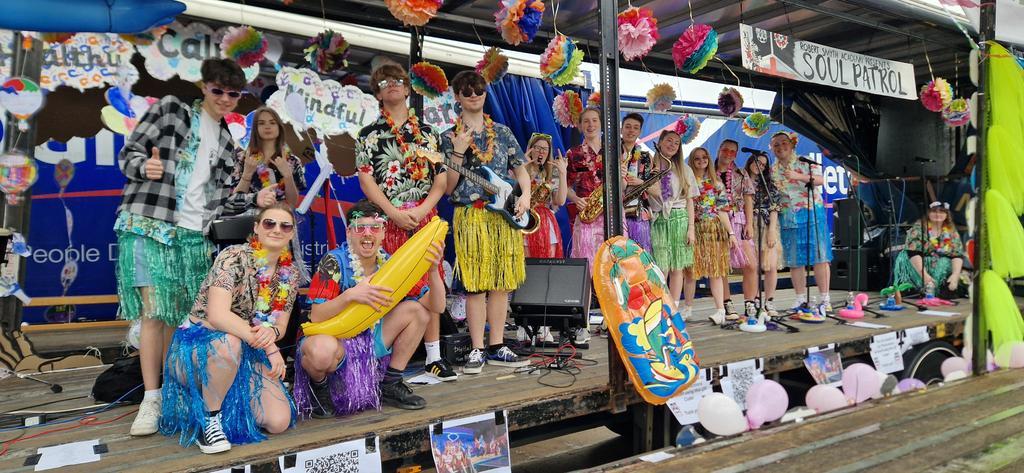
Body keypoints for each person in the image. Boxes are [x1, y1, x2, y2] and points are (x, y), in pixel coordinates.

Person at [115, 58, 272, 437]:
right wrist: (145, 168)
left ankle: (172, 392)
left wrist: (254, 200)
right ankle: (150, 398)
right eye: (218, 90)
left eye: (233, 93)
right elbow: (129, 154)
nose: (225, 99)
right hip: (151, 225)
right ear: (204, 87)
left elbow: (219, 202)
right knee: (154, 313)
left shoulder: (228, 142)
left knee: (180, 319)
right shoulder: (172, 111)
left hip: (193, 238)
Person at [160, 203, 298, 454]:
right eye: (269, 223)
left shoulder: (290, 274)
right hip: (201, 344)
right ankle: (209, 420)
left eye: (285, 226)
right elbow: (218, 316)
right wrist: (269, 346)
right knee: (228, 342)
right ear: (256, 228)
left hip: (247, 349)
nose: (277, 229)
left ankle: (222, 399)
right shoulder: (233, 256)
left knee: (278, 421)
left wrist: (272, 333)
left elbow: (280, 326)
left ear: (291, 233)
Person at [294, 200, 446, 416]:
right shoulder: (333, 262)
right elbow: (317, 316)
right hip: (335, 339)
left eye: (375, 227)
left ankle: (391, 383)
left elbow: (437, 306)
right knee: (320, 352)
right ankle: (320, 388)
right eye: (360, 227)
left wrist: (433, 271)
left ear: (383, 233)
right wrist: (350, 296)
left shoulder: (391, 264)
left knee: (418, 312)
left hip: (371, 338)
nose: (367, 233)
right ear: (349, 232)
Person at [356, 64, 455, 382]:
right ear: (377, 92)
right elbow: (366, 181)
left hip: (425, 217)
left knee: (431, 281)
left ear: (408, 88)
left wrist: (424, 209)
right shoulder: (368, 135)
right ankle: (385, 359)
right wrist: (393, 213)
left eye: (398, 80)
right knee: (389, 284)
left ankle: (434, 358)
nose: (393, 85)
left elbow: (441, 180)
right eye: (384, 81)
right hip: (386, 219)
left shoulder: (429, 133)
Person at [440, 70, 531, 374]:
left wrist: (526, 196)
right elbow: (449, 187)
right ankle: (477, 347)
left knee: (502, 283)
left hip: (504, 216)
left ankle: (497, 345)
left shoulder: (503, 132)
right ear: (457, 96)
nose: (474, 95)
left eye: (478, 89)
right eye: (466, 91)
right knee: (476, 286)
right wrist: (458, 151)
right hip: (471, 215)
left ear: (485, 92)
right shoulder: (449, 137)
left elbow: (521, 171)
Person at [231, 106, 309, 281]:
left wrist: (287, 175)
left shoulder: (291, 160)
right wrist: (247, 172)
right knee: (251, 274)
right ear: (255, 128)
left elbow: (292, 202)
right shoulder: (242, 157)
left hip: (281, 224)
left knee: (281, 277)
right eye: (261, 123)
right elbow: (235, 198)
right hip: (251, 225)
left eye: (272, 123)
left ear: (279, 127)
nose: (267, 126)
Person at [769, 131, 833, 311]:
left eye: (784, 143)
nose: (781, 147)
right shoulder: (772, 170)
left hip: (811, 211)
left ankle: (825, 298)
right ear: (772, 149)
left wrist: (799, 177)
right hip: (788, 215)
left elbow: (820, 180)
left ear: (792, 145)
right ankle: (800, 298)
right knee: (795, 259)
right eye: (776, 145)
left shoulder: (805, 161)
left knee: (820, 256)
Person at [649, 130, 698, 319]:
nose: (672, 145)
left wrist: (691, 229)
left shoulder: (684, 169)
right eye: (669, 141)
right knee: (661, 266)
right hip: (658, 219)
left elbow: (690, 200)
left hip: (679, 218)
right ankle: (659, 306)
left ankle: (673, 308)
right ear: (660, 142)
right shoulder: (650, 165)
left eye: (676, 143)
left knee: (677, 266)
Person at [688, 147, 739, 324]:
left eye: (704, 157)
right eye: (697, 158)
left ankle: (720, 311)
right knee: (690, 271)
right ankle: (687, 309)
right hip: (693, 230)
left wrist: (731, 233)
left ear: (709, 159)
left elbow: (722, 211)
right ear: (691, 161)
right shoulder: (688, 182)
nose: (701, 160)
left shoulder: (717, 183)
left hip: (713, 229)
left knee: (715, 270)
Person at [714, 139, 757, 318]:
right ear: (719, 150)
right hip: (716, 221)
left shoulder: (741, 173)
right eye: (726, 150)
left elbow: (748, 198)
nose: (728, 154)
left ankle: (750, 302)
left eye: (733, 151)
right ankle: (727, 303)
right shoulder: (709, 171)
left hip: (739, 220)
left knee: (751, 264)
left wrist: (749, 223)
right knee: (722, 265)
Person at [893, 201, 966, 296]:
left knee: (945, 264)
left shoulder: (951, 231)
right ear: (928, 214)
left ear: (947, 215)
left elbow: (957, 255)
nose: (937, 214)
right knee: (906, 259)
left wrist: (955, 275)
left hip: (939, 264)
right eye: (934, 211)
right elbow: (913, 253)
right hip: (918, 262)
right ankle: (917, 286)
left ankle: (941, 287)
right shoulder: (919, 228)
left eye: (942, 212)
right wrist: (925, 276)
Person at [745, 152, 783, 316]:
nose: (758, 165)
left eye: (762, 164)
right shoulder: (741, 180)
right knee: (752, 267)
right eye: (756, 161)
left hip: (767, 226)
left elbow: (775, 208)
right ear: (749, 161)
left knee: (771, 265)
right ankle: (752, 301)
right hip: (748, 225)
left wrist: (772, 230)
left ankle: (769, 301)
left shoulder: (769, 184)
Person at [567, 107, 606, 264]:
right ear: (580, 126)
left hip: (612, 214)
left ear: (601, 123)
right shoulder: (573, 153)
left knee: (612, 263)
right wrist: (576, 199)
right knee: (588, 263)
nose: (591, 125)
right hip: (587, 215)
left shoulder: (613, 150)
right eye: (586, 121)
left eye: (594, 120)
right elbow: (565, 187)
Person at [523, 132, 568, 258]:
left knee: (548, 258)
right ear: (531, 150)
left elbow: (560, 201)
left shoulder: (551, 173)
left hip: (545, 222)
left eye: (545, 149)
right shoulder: (520, 169)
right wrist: (522, 170)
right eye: (537, 148)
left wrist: (563, 173)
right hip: (525, 218)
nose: (541, 152)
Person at [621, 112, 655, 254]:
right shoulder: (610, 153)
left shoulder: (646, 157)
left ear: (640, 132)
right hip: (615, 211)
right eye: (628, 126)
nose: (631, 131)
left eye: (635, 128)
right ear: (621, 129)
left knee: (639, 255)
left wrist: (641, 182)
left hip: (638, 213)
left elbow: (656, 190)